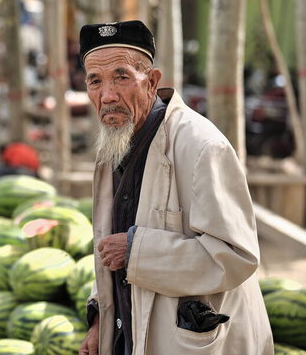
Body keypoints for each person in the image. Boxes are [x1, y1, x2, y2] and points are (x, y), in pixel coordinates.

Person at [77, 20, 273, 355]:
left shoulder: (202, 146)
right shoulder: (113, 143)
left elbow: (236, 257)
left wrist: (136, 249)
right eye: (95, 81)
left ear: (152, 82)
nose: (107, 95)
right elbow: (111, 249)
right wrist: (101, 321)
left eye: (121, 77)